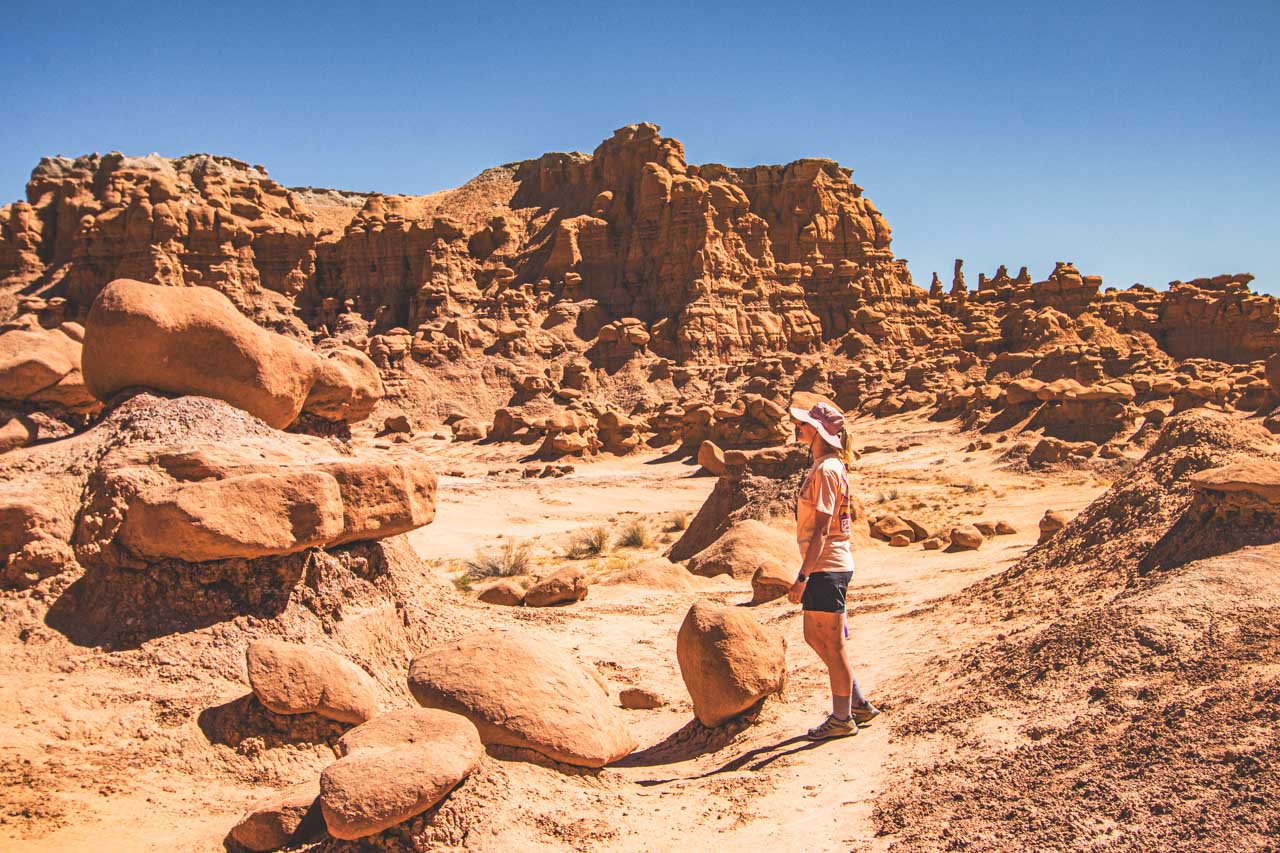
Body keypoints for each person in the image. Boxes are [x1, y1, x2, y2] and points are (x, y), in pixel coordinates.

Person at [787, 401, 879, 740]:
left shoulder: (827, 470)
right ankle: (857, 703)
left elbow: (823, 529)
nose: (797, 429)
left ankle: (842, 718)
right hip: (827, 567)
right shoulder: (826, 466)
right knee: (816, 637)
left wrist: (802, 577)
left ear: (818, 433)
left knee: (833, 644)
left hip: (827, 567)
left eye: (803, 425)